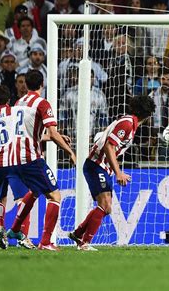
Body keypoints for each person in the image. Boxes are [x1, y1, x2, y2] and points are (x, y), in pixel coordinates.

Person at [68, 95, 156, 251]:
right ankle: (84, 243)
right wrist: (118, 173)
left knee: (107, 208)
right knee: (105, 204)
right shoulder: (127, 123)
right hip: (96, 165)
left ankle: (78, 233)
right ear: (149, 114)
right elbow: (109, 146)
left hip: (102, 167)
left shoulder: (129, 123)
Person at [5, 70, 76, 251]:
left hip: (14, 157)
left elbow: (27, 132)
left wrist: (54, 137)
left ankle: (14, 230)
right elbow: (52, 132)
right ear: (42, 84)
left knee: (34, 191)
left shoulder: (18, 103)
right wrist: (70, 152)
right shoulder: (42, 104)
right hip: (31, 157)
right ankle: (45, 242)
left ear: (26, 85)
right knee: (54, 196)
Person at [0, 86, 33, 249]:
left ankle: (1, 227)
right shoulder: (15, 112)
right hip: (15, 161)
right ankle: (23, 237)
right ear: (8, 100)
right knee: (22, 200)